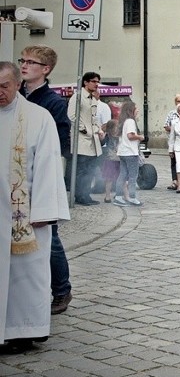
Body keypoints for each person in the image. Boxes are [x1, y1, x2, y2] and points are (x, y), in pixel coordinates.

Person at [0, 62, 70, 351]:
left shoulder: (38, 117)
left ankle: (24, 330)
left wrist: (43, 210)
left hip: (24, 214)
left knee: (25, 275)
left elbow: (49, 164)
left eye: (4, 86)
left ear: (18, 84)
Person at [17, 46, 73, 315]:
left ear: (46, 69)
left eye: (31, 62)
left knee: (50, 236)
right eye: (22, 60)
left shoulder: (52, 102)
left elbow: (60, 144)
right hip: (17, 174)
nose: (24, 65)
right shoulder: (14, 95)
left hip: (43, 174)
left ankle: (62, 290)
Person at [67, 71, 103, 205]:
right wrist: (83, 129)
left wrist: (98, 130)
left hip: (92, 140)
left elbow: (94, 117)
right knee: (81, 171)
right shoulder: (77, 96)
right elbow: (72, 115)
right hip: (82, 140)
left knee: (90, 170)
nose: (96, 84)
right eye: (94, 81)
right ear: (86, 82)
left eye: (97, 81)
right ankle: (79, 196)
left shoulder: (93, 98)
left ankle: (86, 195)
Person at [113, 101, 144, 207]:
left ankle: (118, 197)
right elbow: (130, 136)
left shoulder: (123, 121)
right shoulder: (130, 121)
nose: (138, 110)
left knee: (122, 175)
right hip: (131, 152)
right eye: (136, 108)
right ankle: (132, 197)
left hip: (123, 152)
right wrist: (140, 137)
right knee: (132, 176)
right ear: (131, 110)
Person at [163, 94, 180, 190]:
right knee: (174, 161)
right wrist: (174, 128)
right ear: (175, 102)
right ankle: (174, 181)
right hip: (174, 141)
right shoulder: (171, 113)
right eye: (178, 101)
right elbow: (166, 126)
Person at [100, 119, 120, 203]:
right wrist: (102, 137)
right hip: (110, 159)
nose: (117, 129)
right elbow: (102, 143)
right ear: (111, 129)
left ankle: (119, 194)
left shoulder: (120, 136)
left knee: (120, 178)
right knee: (109, 178)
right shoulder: (108, 136)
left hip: (119, 159)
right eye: (116, 128)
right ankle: (107, 196)